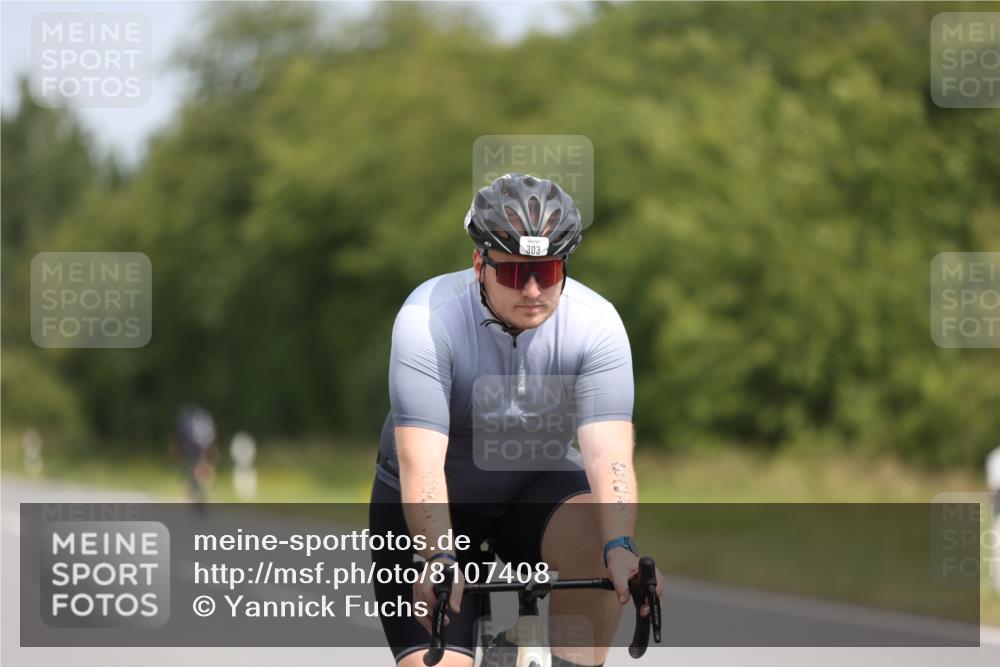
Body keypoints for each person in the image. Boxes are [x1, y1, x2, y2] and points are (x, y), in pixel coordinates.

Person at [369, 173, 664, 667]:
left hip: (533, 487)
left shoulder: (596, 325)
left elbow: (608, 454)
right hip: (437, 499)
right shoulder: (428, 319)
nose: (531, 290)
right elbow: (422, 463)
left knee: (599, 544)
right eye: (512, 273)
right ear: (478, 264)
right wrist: (438, 555)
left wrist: (620, 547)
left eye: (547, 272)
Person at [171, 403, 220, 505]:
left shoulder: (191, 422)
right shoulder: (197, 422)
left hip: (196, 445)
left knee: (196, 468)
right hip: (195, 445)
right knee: (195, 468)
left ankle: (196, 492)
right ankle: (195, 492)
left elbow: (180, 439)